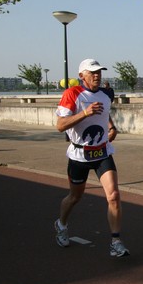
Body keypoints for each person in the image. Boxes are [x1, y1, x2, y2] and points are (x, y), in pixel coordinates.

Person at [54, 58, 129, 258]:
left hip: (102, 152)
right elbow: (60, 125)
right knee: (75, 197)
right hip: (79, 154)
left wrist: (112, 127)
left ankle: (116, 242)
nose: (97, 75)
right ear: (82, 76)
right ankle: (61, 224)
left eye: (99, 72)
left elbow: (104, 113)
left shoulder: (106, 94)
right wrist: (85, 113)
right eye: (92, 72)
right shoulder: (72, 94)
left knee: (113, 196)